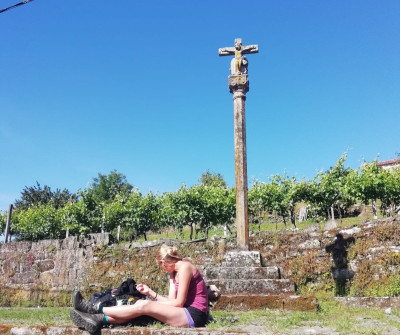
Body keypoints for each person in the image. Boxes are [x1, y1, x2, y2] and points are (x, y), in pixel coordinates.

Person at [70, 244, 209, 333]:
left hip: (194, 315)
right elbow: (171, 301)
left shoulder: (185, 267)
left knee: (144, 305)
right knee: (141, 307)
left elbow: (178, 303)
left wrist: (151, 304)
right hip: (183, 312)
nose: (162, 269)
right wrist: (150, 293)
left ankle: (93, 308)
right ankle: (98, 319)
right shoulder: (174, 273)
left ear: (163, 262)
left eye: (160, 266)